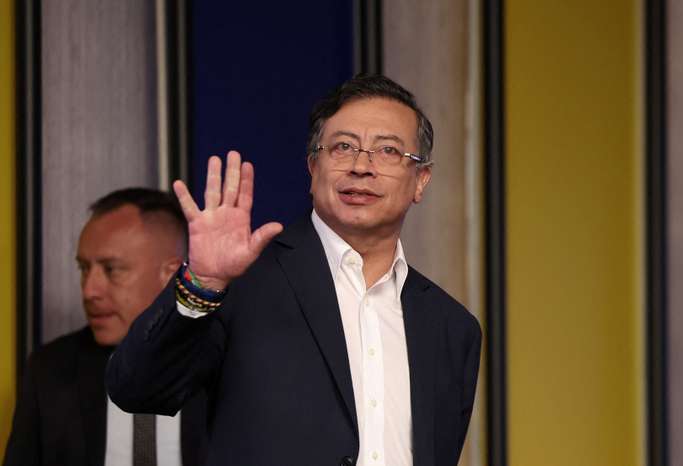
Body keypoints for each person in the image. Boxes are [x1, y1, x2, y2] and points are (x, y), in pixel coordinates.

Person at [106, 75, 482, 466]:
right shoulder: (241, 285)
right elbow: (136, 390)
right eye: (343, 147)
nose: (361, 166)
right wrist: (202, 283)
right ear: (313, 166)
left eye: (388, 151)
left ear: (420, 180)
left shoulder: (452, 328)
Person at [4, 188, 207, 466]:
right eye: (84, 269)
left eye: (111, 269)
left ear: (170, 275)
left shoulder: (225, 365)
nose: (89, 291)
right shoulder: (50, 370)